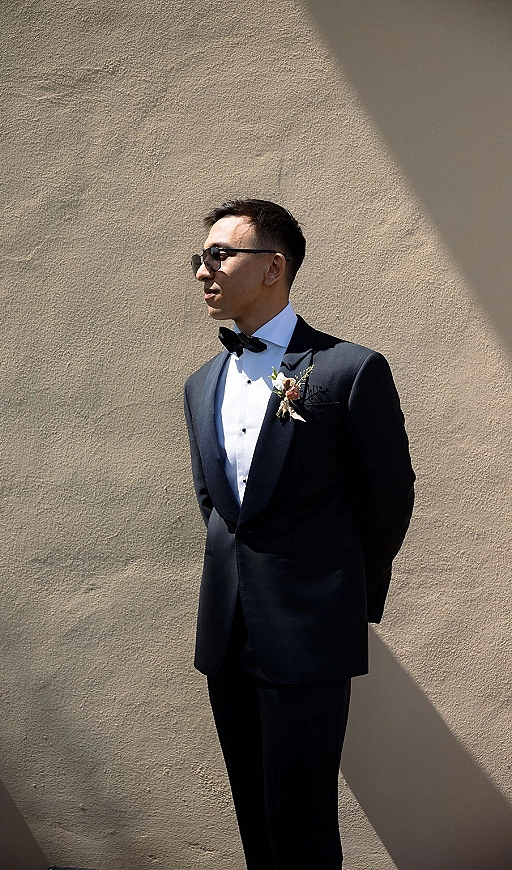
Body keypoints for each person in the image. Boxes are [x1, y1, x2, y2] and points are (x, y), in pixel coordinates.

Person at [183, 198, 415, 869]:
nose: (204, 270)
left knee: (303, 828)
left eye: (220, 255)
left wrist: (340, 600)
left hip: (309, 636)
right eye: (200, 258)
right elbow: (217, 503)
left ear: (273, 267)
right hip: (227, 637)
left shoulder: (347, 370)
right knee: (256, 823)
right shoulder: (202, 383)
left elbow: (387, 502)